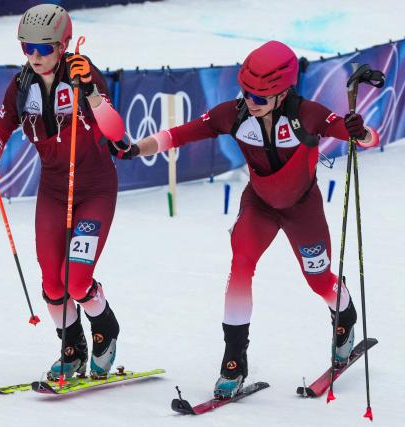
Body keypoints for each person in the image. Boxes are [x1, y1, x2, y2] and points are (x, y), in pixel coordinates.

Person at [112, 40, 379, 398]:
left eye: (259, 97)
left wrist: (359, 131)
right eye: (246, 93)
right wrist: (135, 148)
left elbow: (364, 139)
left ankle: (344, 316)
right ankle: (234, 359)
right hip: (260, 205)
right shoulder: (234, 114)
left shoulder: (308, 114)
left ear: (283, 93)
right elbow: (181, 134)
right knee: (240, 266)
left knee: (319, 282)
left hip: (303, 208)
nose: (250, 102)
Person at [0, 4, 126, 380]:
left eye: (44, 48)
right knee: (51, 281)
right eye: (26, 47)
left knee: (77, 280)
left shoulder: (83, 74)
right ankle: (71, 348)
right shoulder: (21, 85)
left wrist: (90, 91)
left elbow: (114, 130)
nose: (34, 56)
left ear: (63, 45)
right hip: (54, 190)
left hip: (94, 189)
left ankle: (106, 329)